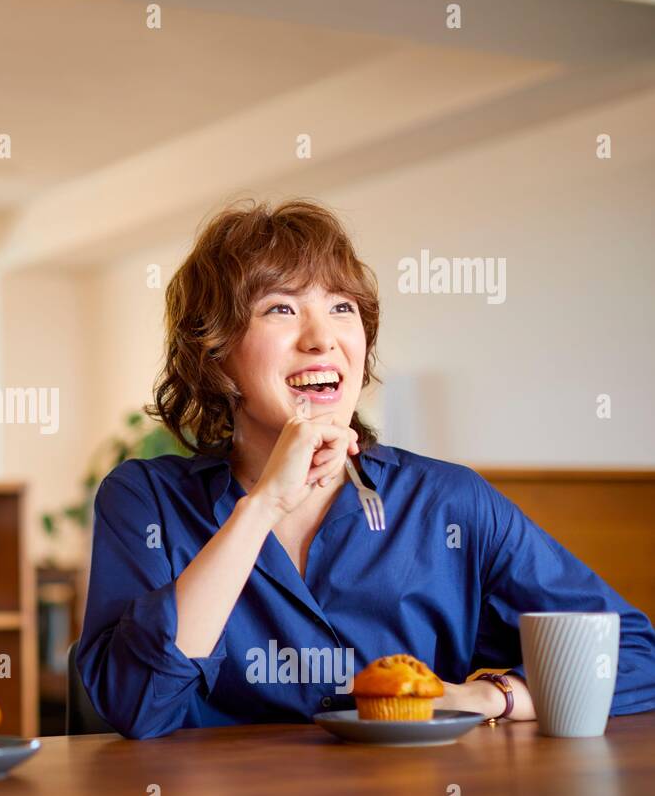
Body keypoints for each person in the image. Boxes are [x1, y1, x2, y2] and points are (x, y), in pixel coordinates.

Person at [77, 198, 655, 739]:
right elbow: (137, 703)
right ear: (215, 354)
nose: (322, 338)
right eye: (280, 308)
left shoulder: (449, 503)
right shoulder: (145, 500)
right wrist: (262, 509)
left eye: (341, 307)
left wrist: (496, 697)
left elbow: (632, 654)